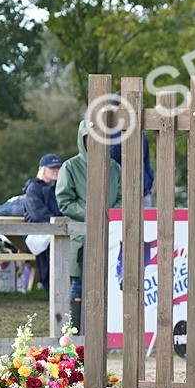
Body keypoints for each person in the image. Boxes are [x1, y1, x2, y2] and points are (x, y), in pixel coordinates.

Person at [57, 121, 122, 333]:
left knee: (109, 285)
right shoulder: (70, 166)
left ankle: (105, 332)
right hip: (81, 238)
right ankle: (75, 334)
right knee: (79, 286)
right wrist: (93, 214)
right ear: (82, 139)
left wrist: (110, 216)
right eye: (90, 137)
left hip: (110, 236)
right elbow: (64, 201)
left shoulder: (114, 167)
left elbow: (122, 198)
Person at [23, 153, 63, 293]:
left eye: (58, 167)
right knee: (48, 249)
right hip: (38, 233)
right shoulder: (33, 188)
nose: (56, 170)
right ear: (41, 169)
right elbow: (36, 213)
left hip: (60, 229)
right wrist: (58, 221)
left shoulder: (62, 187)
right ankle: (50, 290)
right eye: (52, 168)